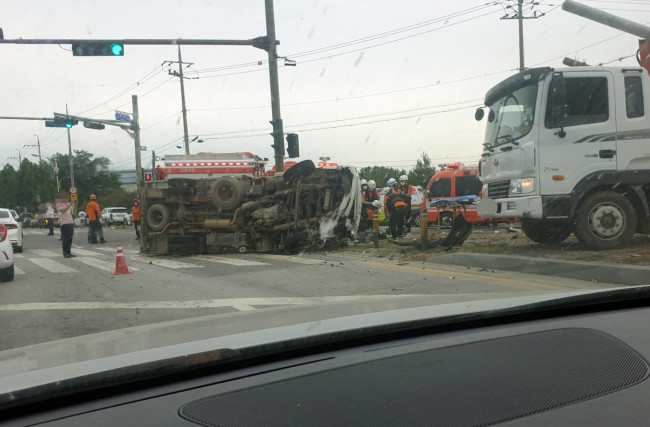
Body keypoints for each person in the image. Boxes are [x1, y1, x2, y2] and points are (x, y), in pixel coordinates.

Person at [56, 191, 77, 258]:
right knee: (65, 238)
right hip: (64, 223)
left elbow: (73, 212)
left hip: (70, 222)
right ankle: (65, 253)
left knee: (70, 238)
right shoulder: (59, 204)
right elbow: (63, 211)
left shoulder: (68, 204)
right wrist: (70, 204)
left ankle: (69, 252)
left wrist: (75, 205)